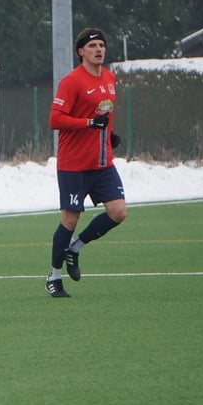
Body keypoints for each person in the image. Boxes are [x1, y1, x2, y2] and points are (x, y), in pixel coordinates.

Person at [46, 27, 127, 298]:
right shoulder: (71, 81)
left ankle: (75, 247)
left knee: (118, 212)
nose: (99, 50)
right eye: (93, 46)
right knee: (70, 219)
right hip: (73, 163)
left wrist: (110, 134)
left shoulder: (109, 77)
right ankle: (54, 277)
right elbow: (55, 120)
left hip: (102, 162)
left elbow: (104, 113)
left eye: (102, 45)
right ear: (81, 51)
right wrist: (88, 124)